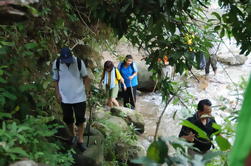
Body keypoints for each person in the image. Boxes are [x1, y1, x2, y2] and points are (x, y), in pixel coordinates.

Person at [51, 47, 90, 152]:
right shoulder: (57, 63)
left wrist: (87, 90)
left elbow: (86, 77)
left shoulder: (78, 61)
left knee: (80, 119)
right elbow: (55, 80)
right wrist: (57, 93)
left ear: (71, 56)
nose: (67, 62)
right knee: (68, 118)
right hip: (64, 97)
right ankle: (72, 136)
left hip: (79, 96)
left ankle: (80, 141)